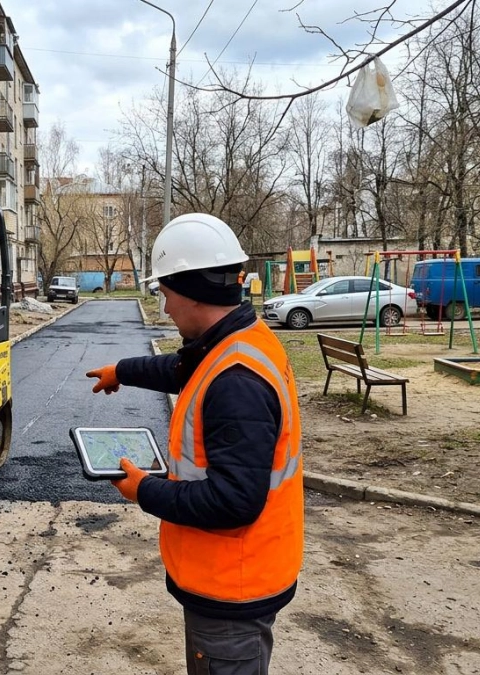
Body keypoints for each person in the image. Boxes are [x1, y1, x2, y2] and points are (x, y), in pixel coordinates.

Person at [85, 213, 303, 675]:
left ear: (190, 290)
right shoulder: (240, 340)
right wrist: (122, 371)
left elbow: (233, 501)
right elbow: (183, 370)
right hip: (243, 571)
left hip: (233, 584)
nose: (164, 308)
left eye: (164, 295)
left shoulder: (236, 381)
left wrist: (144, 489)